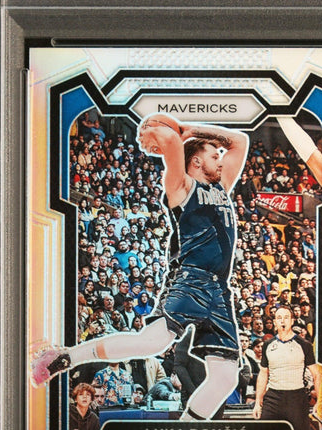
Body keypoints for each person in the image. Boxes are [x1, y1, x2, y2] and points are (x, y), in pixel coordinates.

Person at [32, 115, 249, 422]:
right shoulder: (181, 187)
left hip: (219, 290)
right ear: (196, 161)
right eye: (215, 156)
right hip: (192, 279)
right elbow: (168, 137)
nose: (221, 160)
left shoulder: (221, 187)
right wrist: (163, 132)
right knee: (151, 342)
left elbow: (239, 141)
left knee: (226, 377)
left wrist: (191, 130)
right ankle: (66, 357)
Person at [252, 306, 321, 430]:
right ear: (274, 322)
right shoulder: (267, 345)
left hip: (296, 398)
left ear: (292, 321)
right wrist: (258, 402)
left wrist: (319, 403)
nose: (282, 321)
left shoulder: (304, 345)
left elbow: (316, 375)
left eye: (286, 317)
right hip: (273, 397)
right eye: (279, 318)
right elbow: (263, 374)